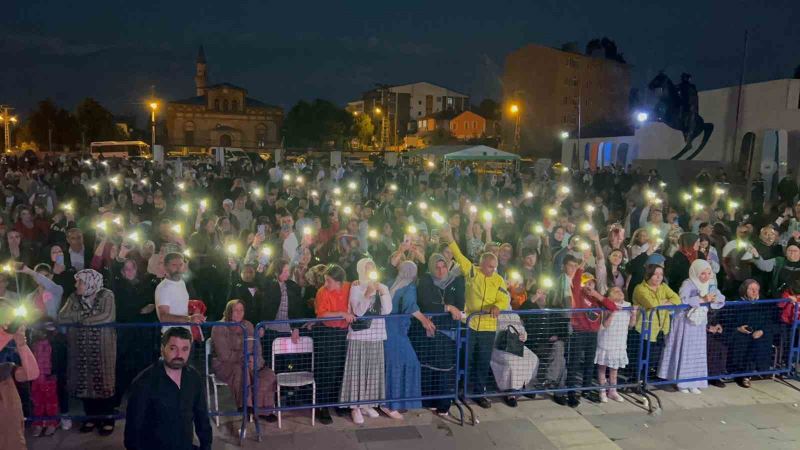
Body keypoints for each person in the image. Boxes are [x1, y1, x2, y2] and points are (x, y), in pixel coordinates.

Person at [440, 224, 510, 409]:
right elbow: (460, 257)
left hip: (488, 327)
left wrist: (497, 306)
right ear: (482, 264)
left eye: (494, 267)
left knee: (483, 361)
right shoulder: (472, 272)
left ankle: (479, 393)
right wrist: (449, 238)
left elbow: (503, 297)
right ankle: (462, 391)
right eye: (490, 266)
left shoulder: (499, 279)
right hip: (470, 325)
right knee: (467, 359)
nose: (492, 270)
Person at [124, 327, 212, 450]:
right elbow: (132, 431)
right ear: (162, 349)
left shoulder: (193, 378)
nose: (179, 355)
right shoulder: (144, 382)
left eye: (184, 349)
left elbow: (202, 417)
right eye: (173, 348)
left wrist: (206, 446)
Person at [57, 269, 117, 436]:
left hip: (103, 347)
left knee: (104, 381)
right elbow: (62, 317)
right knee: (85, 383)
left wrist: (79, 319)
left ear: (91, 282)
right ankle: (90, 417)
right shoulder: (73, 297)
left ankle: (107, 418)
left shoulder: (106, 295)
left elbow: (106, 316)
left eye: (80, 282)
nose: (76, 285)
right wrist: (88, 317)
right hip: (80, 347)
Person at [658, 259, 725, 393]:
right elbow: (682, 300)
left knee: (697, 352)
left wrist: (713, 300)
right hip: (685, 322)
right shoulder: (688, 283)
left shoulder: (711, 285)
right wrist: (702, 300)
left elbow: (721, 299)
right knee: (685, 350)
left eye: (708, 273)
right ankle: (681, 382)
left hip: (699, 323)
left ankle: (694, 382)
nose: (706, 277)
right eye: (703, 274)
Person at [341, 258, 392, 424]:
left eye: (372, 268)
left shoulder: (382, 286)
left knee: (372, 370)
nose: (369, 271)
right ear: (361, 270)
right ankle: (354, 406)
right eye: (366, 268)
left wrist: (382, 292)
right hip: (359, 336)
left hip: (376, 335)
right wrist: (367, 294)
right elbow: (358, 311)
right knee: (357, 371)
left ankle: (367, 403)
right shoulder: (356, 286)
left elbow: (387, 310)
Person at [412, 253, 464, 415]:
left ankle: (443, 404)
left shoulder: (456, 281)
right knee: (429, 366)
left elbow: (460, 304)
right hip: (429, 332)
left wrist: (443, 307)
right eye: (437, 267)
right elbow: (425, 304)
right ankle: (429, 400)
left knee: (445, 367)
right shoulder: (426, 281)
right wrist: (447, 308)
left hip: (447, 332)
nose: (441, 271)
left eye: (443, 267)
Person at [211, 299, 277, 422]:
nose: (239, 313)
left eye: (241, 310)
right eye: (235, 310)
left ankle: (263, 410)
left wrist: (256, 360)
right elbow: (224, 355)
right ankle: (246, 406)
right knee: (240, 370)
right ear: (229, 311)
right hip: (225, 365)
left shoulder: (248, 325)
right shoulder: (219, 327)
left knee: (267, 375)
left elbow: (256, 347)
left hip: (247, 361)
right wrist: (245, 358)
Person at [384, 261, 435, 417]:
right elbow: (410, 306)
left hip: (387, 326)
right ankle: (391, 403)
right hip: (397, 329)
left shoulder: (390, 283)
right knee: (408, 362)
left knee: (392, 364)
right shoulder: (410, 287)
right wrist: (424, 320)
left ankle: (390, 401)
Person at [313, 264, 353, 425]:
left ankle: (337, 402)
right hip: (327, 334)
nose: (325, 284)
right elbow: (322, 315)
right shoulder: (322, 292)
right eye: (325, 280)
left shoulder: (349, 287)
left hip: (343, 333)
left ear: (339, 282)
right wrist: (341, 314)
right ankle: (321, 407)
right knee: (325, 370)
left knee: (340, 369)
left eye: (328, 281)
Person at [0, 306, 40, 450]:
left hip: (8, 398)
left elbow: (32, 374)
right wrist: (8, 334)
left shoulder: (8, 351)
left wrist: (21, 344)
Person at [632, 263, 681, 375]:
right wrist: (665, 302)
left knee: (653, 358)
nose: (659, 277)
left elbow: (677, 299)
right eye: (655, 274)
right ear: (648, 275)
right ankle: (637, 379)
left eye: (661, 274)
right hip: (644, 329)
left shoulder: (663, 286)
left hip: (661, 328)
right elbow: (652, 304)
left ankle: (646, 378)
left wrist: (663, 302)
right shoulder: (640, 288)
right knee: (641, 356)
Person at [728, 279, 773, 388]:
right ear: (744, 290)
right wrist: (738, 328)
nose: (754, 292)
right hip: (741, 331)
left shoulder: (764, 302)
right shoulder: (736, 301)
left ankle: (750, 373)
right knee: (742, 341)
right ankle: (742, 374)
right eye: (751, 289)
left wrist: (762, 331)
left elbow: (770, 322)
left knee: (758, 342)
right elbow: (729, 320)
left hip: (759, 332)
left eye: (756, 289)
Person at [594, 287, 635, 403]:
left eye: (620, 290)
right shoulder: (606, 305)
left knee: (614, 369)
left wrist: (634, 314)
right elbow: (605, 325)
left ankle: (613, 390)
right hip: (606, 340)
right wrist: (613, 312)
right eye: (615, 291)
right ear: (609, 295)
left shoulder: (627, 305)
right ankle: (602, 390)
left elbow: (631, 324)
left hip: (620, 341)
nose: (619, 292)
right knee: (602, 367)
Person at [156, 253, 204, 332]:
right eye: (174, 265)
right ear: (166, 267)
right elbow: (164, 317)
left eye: (181, 264)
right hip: (171, 334)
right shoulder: (164, 287)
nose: (178, 268)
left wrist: (193, 311)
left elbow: (179, 308)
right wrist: (189, 318)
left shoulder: (182, 283)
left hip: (185, 332)